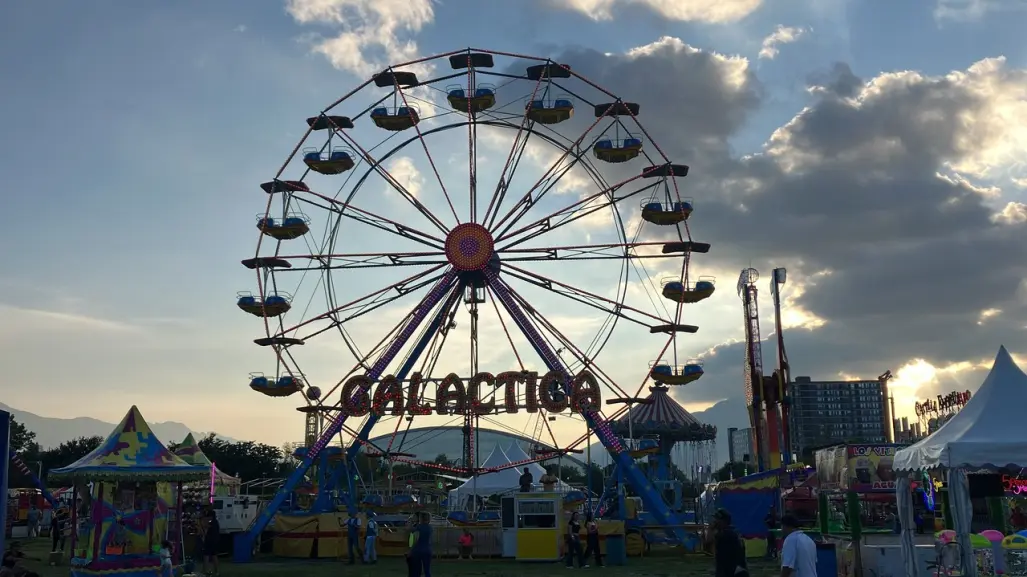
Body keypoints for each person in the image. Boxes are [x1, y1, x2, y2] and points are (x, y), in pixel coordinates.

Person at [711, 509, 748, 577]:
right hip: (737, 569)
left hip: (730, 570)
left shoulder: (725, 535)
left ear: (723, 521)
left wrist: (711, 528)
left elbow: (708, 541)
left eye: (717, 519)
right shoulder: (732, 532)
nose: (714, 521)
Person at [410, 512, 433, 577]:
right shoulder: (430, 528)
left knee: (417, 570)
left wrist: (411, 522)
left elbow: (415, 537)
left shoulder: (419, 527)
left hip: (418, 550)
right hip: (427, 550)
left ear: (421, 519)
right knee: (427, 571)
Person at [202, 510, 220, 576]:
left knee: (206, 555)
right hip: (215, 541)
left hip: (209, 541)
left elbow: (205, 527)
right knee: (214, 555)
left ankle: (205, 571)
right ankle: (217, 571)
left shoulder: (211, 522)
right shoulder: (216, 522)